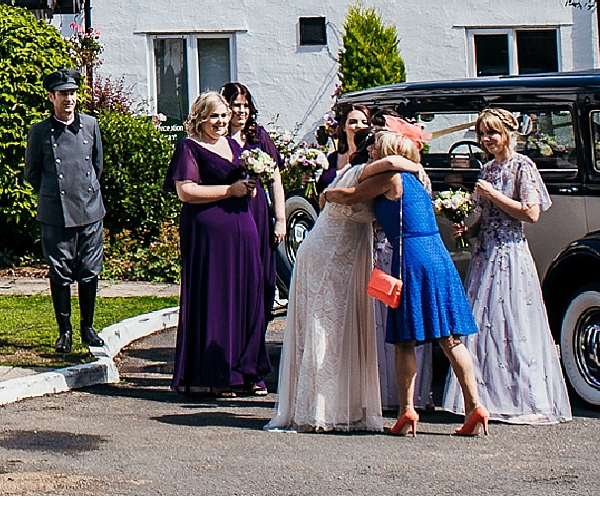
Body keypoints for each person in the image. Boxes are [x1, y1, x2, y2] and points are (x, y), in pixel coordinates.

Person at [265, 138, 421, 431]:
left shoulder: (361, 173)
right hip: (331, 254)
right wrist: (415, 164)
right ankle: (318, 409)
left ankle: (339, 406)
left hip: (345, 252)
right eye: (374, 146)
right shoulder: (364, 170)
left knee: (340, 327)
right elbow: (378, 173)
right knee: (326, 324)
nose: (377, 151)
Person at [441, 108, 574, 425]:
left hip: (510, 254)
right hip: (485, 253)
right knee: (484, 325)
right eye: (483, 134)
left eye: (493, 133)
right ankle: (482, 397)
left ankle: (523, 396)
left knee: (513, 322)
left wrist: (494, 194)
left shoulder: (522, 167)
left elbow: (531, 213)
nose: (487, 139)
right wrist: (468, 230)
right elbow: (487, 218)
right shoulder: (486, 170)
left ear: (508, 134)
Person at [367, 120, 489, 436]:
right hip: (437, 253)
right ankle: (475, 406)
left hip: (411, 257)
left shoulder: (389, 176)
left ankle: (407, 410)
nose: (370, 149)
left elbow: (349, 194)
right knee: (450, 338)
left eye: (375, 144)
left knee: (406, 339)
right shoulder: (420, 177)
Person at [166, 90, 269, 395]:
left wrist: (249, 188)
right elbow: (186, 192)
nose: (221, 121)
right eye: (214, 116)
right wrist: (230, 191)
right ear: (200, 118)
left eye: (224, 115)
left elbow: (247, 185)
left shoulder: (234, 145)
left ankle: (245, 369)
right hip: (209, 235)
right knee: (217, 299)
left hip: (243, 229)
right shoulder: (189, 148)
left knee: (247, 298)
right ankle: (216, 372)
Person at [24, 67, 107, 357]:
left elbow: (97, 166)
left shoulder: (90, 125)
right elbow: (33, 173)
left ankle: (87, 327)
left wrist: (88, 196)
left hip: (89, 210)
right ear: (52, 97)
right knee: (60, 273)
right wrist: (52, 198)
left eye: (72, 93)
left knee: (88, 271)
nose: (68, 99)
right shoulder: (39, 132)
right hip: (56, 213)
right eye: (62, 94)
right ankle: (65, 332)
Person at [222, 82, 284, 316]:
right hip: (229, 210)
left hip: (257, 211)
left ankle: (259, 325)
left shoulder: (258, 136)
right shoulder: (219, 138)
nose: (241, 111)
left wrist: (280, 219)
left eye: (245, 105)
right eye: (236, 105)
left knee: (261, 272)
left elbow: (275, 177)